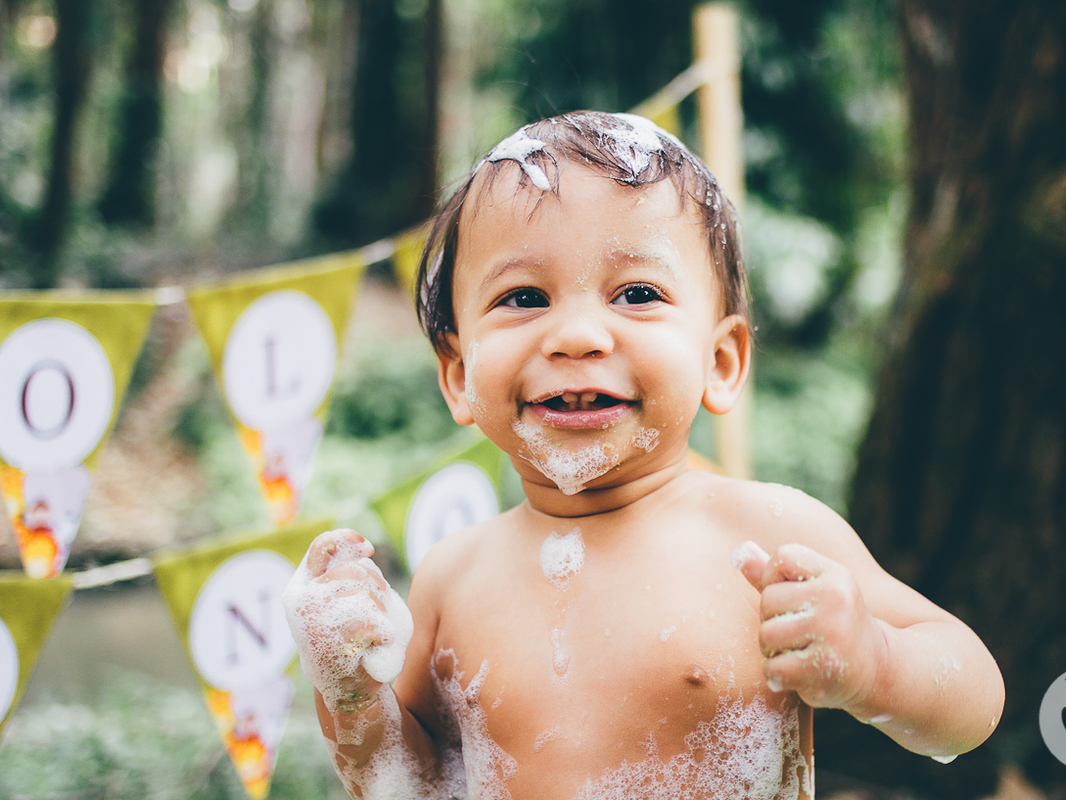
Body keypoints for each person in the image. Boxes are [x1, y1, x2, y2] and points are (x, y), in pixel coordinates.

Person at [282, 111, 1005, 800]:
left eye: (635, 292)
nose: (576, 335)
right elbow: (409, 780)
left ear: (720, 361)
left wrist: (875, 664)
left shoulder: (767, 538)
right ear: (459, 375)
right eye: (524, 297)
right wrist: (352, 694)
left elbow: (973, 696)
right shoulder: (452, 578)